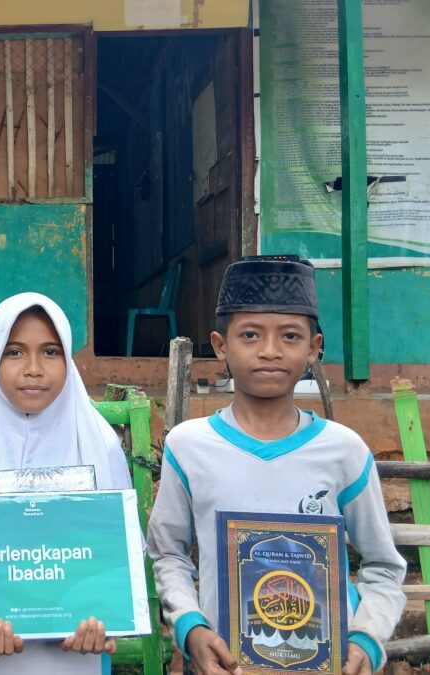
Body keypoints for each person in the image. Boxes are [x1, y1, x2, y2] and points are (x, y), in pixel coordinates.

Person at [146, 256, 406, 675]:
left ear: (313, 348)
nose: (270, 351)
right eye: (250, 335)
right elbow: (168, 555)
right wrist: (191, 629)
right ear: (220, 345)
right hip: (226, 665)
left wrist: (366, 639)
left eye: (290, 336)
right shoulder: (189, 447)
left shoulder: (344, 451)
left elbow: (384, 567)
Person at [0, 292, 134, 674]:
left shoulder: (99, 444)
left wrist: (106, 621)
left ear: (68, 360)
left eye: (50, 352)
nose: (33, 369)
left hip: (76, 661)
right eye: (14, 352)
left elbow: (118, 564)